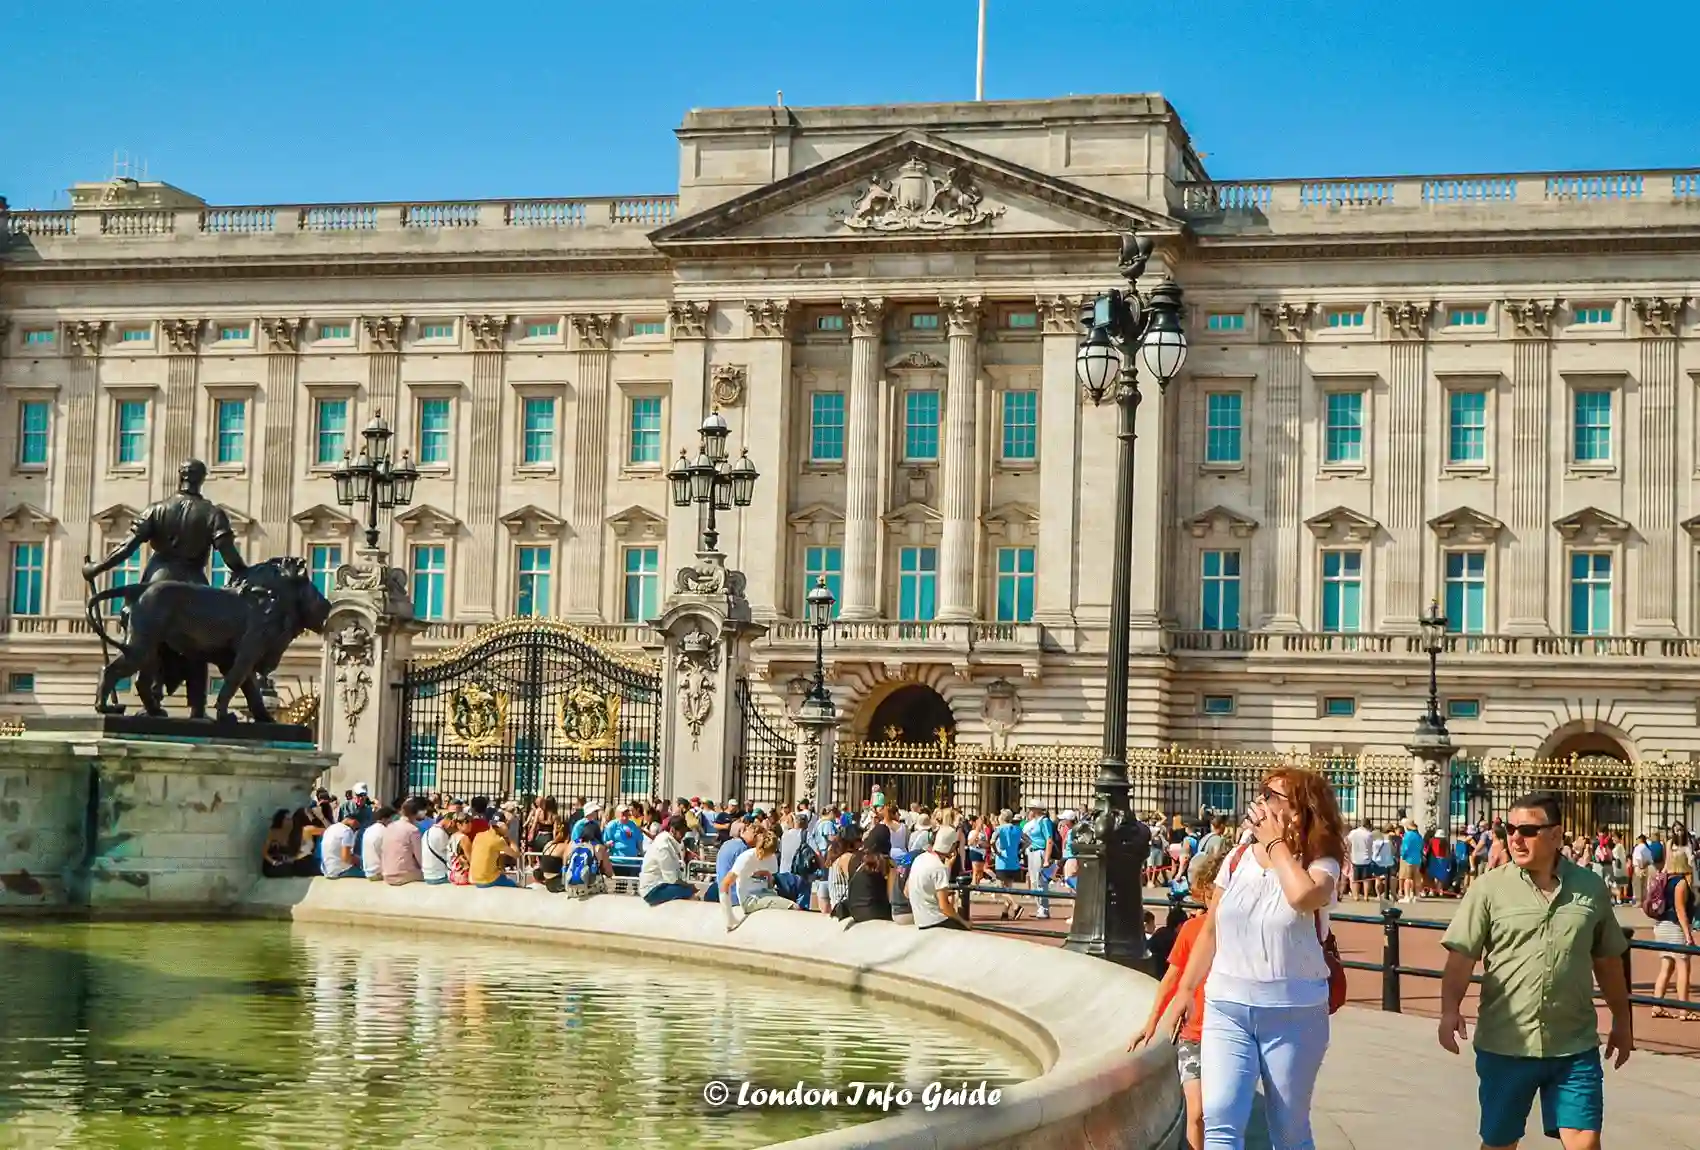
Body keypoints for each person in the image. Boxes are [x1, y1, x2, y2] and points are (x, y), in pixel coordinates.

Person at [1158, 768, 1346, 1150]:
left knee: (1289, 1130)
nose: (1263, 803)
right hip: (1227, 1005)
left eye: (1274, 796)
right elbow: (1212, 929)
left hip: (1293, 1011)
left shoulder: (1321, 862)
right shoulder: (1238, 856)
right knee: (1220, 1117)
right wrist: (1185, 990)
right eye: (1263, 794)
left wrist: (1277, 846)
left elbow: (1302, 897)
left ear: (1302, 809)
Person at [1439, 792, 1632, 1150]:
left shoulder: (1590, 888)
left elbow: (1607, 961)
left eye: (1528, 830)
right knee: (1500, 1143)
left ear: (1556, 836)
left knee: (1586, 1143)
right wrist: (1449, 1010)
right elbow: (1461, 957)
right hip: (1506, 1044)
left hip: (1574, 1044)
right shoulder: (1488, 888)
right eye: (1509, 828)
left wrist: (1623, 1020)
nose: (1515, 838)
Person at [1136, 851, 1226, 1150]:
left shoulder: (1242, 929)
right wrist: (1151, 1022)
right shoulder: (1190, 929)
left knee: (1222, 1113)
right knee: (1197, 1112)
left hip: (1231, 1034)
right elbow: (1171, 980)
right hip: (1194, 1034)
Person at [1648, 846, 1696, 1020]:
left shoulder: (1665, 879)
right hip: (1675, 926)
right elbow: (1680, 909)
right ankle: (1684, 1008)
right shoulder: (1681, 882)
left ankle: (1656, 1005)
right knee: (1683, 967)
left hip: (1662, 925)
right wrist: (1688, 934)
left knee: (1666, 967)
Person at [723, 827, 794, 930]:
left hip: (765, 893)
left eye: (766, 853)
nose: (761, 855)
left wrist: (768, 877)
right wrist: (729, 916)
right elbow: (725, 883)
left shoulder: (772, 858)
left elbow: (770, 883)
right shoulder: (745, 858)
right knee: (793, 906)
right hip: (750, 899)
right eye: (760, 850)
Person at [907, 826, 969, 931]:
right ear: (952, 846)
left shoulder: (919, 858)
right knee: (964, 930)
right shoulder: (939, 867)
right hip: (935, 920)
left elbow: (906, 891)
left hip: (920, 920)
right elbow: (944, 907)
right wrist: (964, 922)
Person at [639, 815, 695, 906]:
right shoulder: (663, 846)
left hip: (658, 886)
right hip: (652, 890)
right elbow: (671, 878)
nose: (684, 836)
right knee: (689, 892)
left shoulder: (668, 843)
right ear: (672, 830)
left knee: (686, 890)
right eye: (682, 832)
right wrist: (689, 886)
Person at [1022, 803, 1056, 919]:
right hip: (1032, 851)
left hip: (1040, 852)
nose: (1029, 810)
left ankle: (1044, 908)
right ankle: (1039, 907)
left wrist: (1046, 858)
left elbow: (1049, 839)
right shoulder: (1035, 822)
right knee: (1034, 881)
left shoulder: (1044, 821)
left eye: (1031, 808)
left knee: (1040, 881)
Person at [381, 798, 424, 885]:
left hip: (386, 873)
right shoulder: (413, 830)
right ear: (415, 814)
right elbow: (420, 857)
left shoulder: (390, 826)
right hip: (403, 874)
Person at [469, 813, 519, 888]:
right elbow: (516, 854)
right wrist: (509, 836)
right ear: (502, 826)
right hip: (487, 880)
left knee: (501, 874)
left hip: (473, 878)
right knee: (514, 885)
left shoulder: (478, 836)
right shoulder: (497, 840)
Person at [320, 811, 363, 879]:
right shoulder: (347, 831)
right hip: (340, 871)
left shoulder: (330, 828)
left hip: (326, 870)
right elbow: (346, 858)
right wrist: (359, 861)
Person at [360, 807, 394, 881]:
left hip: (368, 872)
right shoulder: (386, 831)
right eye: (392, 819)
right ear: (385, 818)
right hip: (379, 873)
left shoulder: (368, 830)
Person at [1346, 817, 1376, 901]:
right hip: (1366, 859)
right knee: (1366, 879)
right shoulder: (1369, 834)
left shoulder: (1353, 833)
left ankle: (1356, 896)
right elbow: (1371, 846)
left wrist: (1349, 852)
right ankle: (1366, 896)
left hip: (1355, 858)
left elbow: (1347, 842)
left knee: (1356, 879)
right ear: (1368, 825)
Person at [422, 807, 453, 885]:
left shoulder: (427, 832)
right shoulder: (442, 834)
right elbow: (449, 857)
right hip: (439, 876)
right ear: (451, 823)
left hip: (427, 875)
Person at [1398, 818, 1425, 903]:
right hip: (1417, 859)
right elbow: (1421, 846)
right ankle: (1416, 895)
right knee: (1416, 878)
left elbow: (1405, 848)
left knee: (1408, 878)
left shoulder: (1408, 835)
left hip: (1408, 858)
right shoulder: (1418, 835)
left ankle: (1407, 896)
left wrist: (1403, 855)